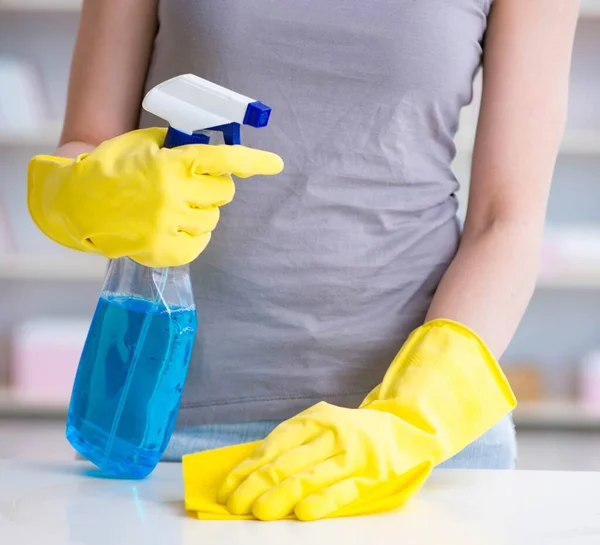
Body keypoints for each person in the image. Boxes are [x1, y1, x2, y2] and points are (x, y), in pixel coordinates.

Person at [28, 0, 578, 520]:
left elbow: (506, 222)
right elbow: (84, 142)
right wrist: (87, 190)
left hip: (409, 448)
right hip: (163, 427)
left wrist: (410, 421)